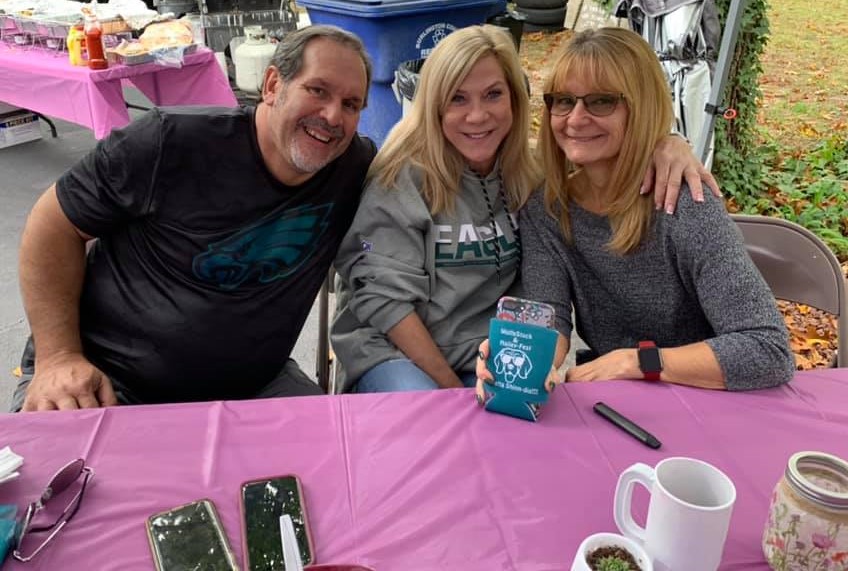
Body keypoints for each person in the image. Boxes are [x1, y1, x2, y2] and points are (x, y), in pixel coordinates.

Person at [331, 25, 718, 394]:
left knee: (529, 430)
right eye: (457, 98)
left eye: (493, 95)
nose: (477, 115)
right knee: (434, 422)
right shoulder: (403, 178)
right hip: (396, 353)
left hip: (482, 355)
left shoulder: (529, 177)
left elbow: (604, 155)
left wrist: (668, 142)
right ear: (434, 106)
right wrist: (452, 393)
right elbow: (386, 304)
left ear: (515, 99)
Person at [13, 25, 377, 411]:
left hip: (256, 384)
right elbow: (53, 224)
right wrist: (58, 357)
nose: (332, 116)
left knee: (339, 447)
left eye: (351, 105)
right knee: (64, 449)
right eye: (317, 90)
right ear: (273, 85)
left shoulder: (354, 167)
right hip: (109, 378)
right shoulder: (170, 141)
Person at [477, 27, 794, 392]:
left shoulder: (683, 204)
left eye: (601, 101)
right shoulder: (547, 209)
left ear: (641, 108)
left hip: (705, 396)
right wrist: (521, 356)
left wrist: (637, 361)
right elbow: (550, 317)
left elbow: (767, 350)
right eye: (563, 100)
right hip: (615, 401)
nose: (575, 119)